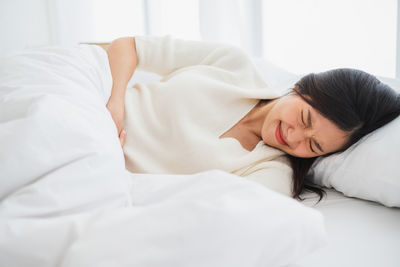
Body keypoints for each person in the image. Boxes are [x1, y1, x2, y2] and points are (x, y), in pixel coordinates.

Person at [99, 36, 400, 201]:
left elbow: (207, 213)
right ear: (301, 88)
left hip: (98, 169)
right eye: (305, 119)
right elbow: (129, 46)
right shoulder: (233, 64)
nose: (294, 138)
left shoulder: (272, 173)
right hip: (91, 107)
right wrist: (115, 105)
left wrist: (113, 169)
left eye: (314, 146)